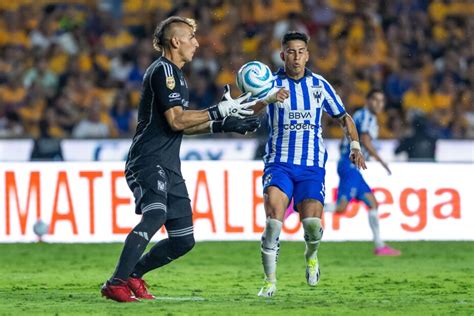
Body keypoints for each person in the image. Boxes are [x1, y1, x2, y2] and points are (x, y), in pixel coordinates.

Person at [100, 16, 263, 302]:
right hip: (148, 160)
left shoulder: (175, 75)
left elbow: (182, 124)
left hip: (168, 164)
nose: (196, 43)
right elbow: (176, 121)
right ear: (176, 41)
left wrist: (223, 124)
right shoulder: (164, 72)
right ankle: (116, 283)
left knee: (183, 240)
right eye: (191, 37)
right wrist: (217, 112)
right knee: (156, 214)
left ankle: (134, 275)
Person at [253, 31, 366, 297]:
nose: (296, 56)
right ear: (282, 55)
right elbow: (248, 111)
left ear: (307, 55)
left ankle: (312, 256)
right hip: (278, 164)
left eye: (301, 51)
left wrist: (355, 146)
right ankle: (270, 282)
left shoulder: (319, 85)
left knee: (313, 227)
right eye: (290, 51)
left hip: (312, 167)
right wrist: (267, 99)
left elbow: (344, 117)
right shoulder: (270, 84)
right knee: (273, 223)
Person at [332, 90, 401, 256]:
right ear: (368, 101)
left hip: (350, 165)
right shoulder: (366, 117)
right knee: (341, 208)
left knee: (372, 203)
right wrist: (382, 161)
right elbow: (365, 140)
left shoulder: (362, 115)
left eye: (381, 101)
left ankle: (379, 246)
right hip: (350, 165)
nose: (379, 104)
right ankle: (299, 206)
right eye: (375, 100)